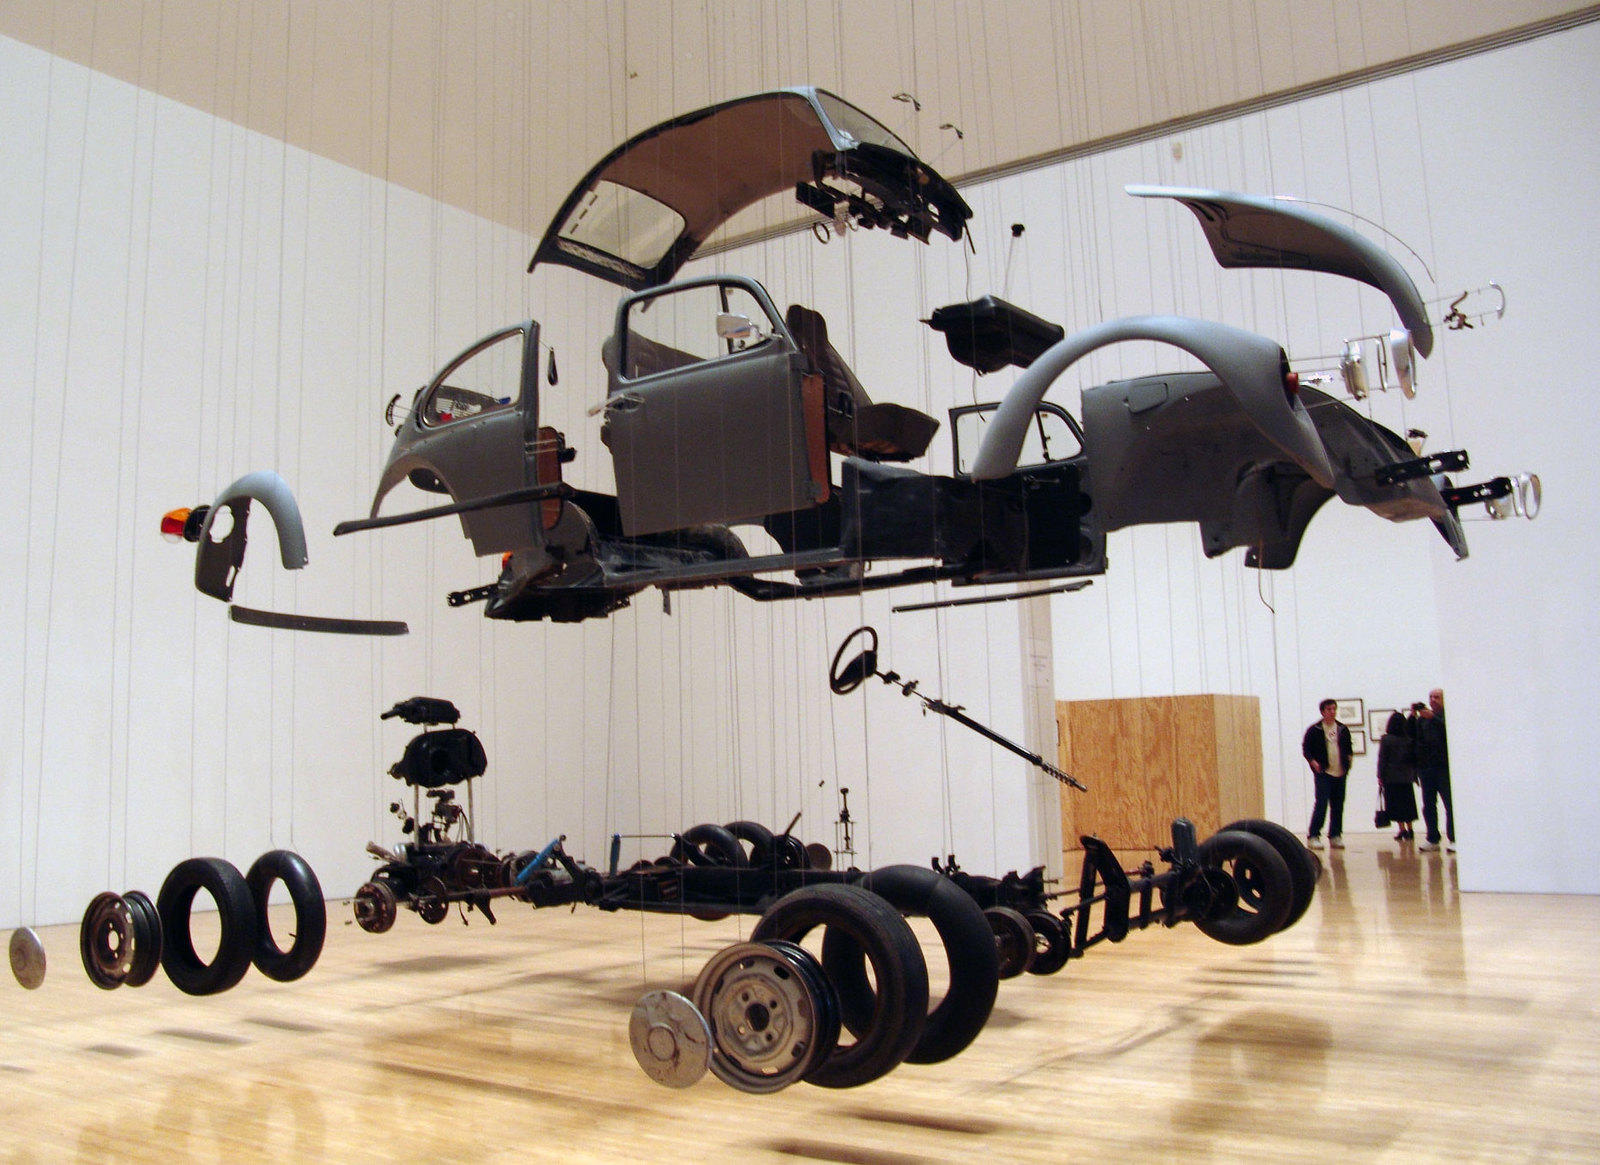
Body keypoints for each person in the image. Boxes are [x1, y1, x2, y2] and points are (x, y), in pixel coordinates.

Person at [1303, 698, 1354, 849]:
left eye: (1334, 709)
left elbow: (1348, 748)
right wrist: (1313, 762)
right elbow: (1306, 749)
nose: (1332, 712)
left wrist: (1349, 762)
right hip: (1323, 772)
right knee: (1321, 804)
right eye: (1329, 709)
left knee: (1338, 805)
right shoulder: (1315, 729)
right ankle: (1313, 835)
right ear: (1323, 712)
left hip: (1340, 772)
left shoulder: (1342, 729)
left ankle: (1335, 835)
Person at [1415, 687, 1455, 852]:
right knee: (1428, 805)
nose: (1433, 700)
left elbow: (1450, 734)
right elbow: (1415, 740)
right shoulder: (1422, 720)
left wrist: (1434, 719)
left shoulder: (1449, 716)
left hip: (1444, 768)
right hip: (1427, 769)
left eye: (1437, 697)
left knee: (1450, 805)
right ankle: (1432, 838)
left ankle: (1454, 838)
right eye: (1431, 697)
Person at [1376, 709, 1419, 842]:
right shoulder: (1408, 739)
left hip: (1391, 777)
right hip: (1407, 777)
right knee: (1408, 804)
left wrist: (1380, 776)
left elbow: (1382, 759)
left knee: (1396, 805)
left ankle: (1402, 830)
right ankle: (1410, 829)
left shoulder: (1386, 739)